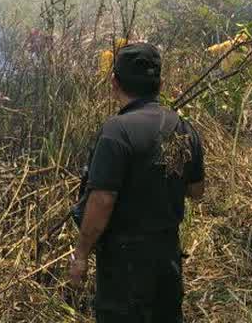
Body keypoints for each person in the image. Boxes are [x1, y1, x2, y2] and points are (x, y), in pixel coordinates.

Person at [68, 42, 206, 322]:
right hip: (167, 257)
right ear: (160, 83)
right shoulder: (182, 127)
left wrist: (81, 254)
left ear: (114, 82)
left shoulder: (115, 132)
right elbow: (196, 191)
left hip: (124, 264)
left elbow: (102, 200)